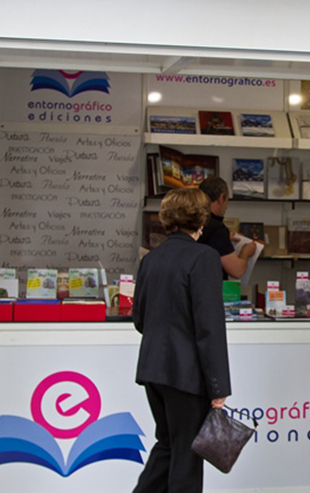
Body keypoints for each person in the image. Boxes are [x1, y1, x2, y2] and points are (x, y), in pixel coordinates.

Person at [132, 187, 231, 493]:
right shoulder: (204, 257)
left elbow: (139, 318)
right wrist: (219, 388)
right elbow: (209, 328)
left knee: (168, 445)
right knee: (186, 456)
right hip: (186, 374)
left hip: (152, 370)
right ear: (201, 219)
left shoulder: (152, 258)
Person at [197, 177, 256, 279]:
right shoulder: (216, 229)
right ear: (221, 198)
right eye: (227, 200)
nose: (226, 206)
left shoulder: (193, 221)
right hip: (209, 289)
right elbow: (237, 271)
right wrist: (245, 253)